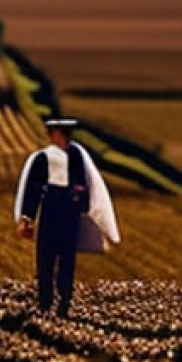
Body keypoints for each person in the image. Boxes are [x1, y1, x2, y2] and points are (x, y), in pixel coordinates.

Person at [14, 117, 120, 317]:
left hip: (66, 210)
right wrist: (28, 216)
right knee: (47, 256)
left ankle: (63, 299)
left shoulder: (75, 158)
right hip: (55, 207)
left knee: (65, 257)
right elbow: (34, 189)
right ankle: (46, 300)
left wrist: (82, 205)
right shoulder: (44, 158)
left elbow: (84, 185)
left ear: (57, 134)